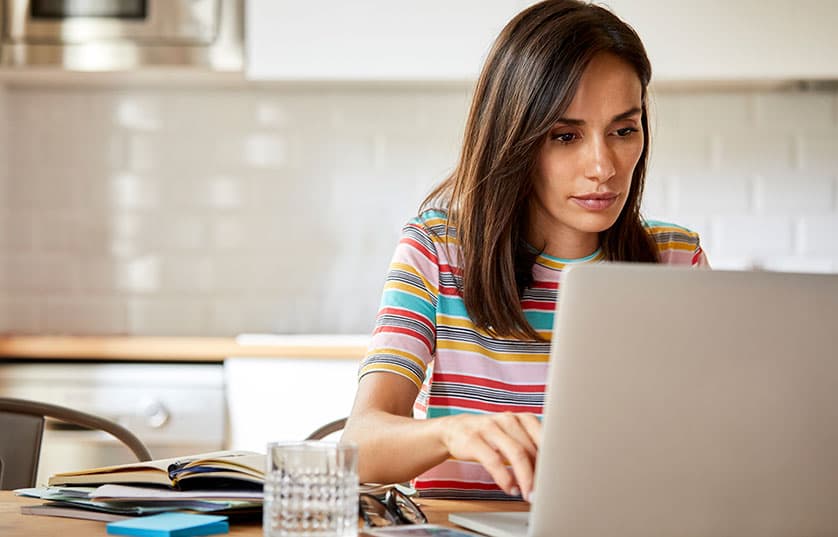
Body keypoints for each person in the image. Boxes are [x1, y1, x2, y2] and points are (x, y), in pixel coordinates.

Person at [341, 0, 709, 502]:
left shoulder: (675, 259)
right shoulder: (439, 250)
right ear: (514, 138)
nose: (602, 166)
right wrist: (452, 434)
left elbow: (714, 442)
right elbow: (360, 443)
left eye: (624, 130)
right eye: (565, 136)